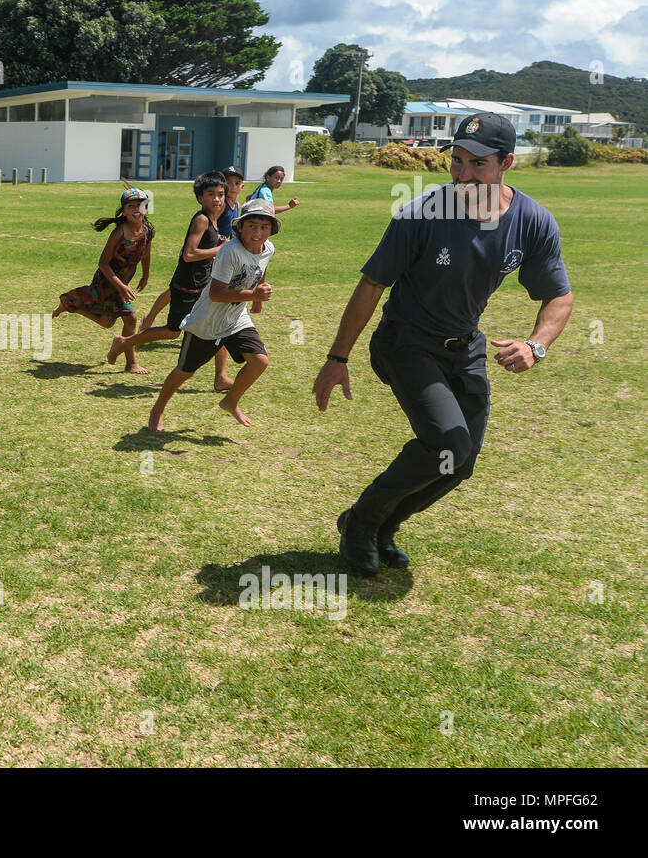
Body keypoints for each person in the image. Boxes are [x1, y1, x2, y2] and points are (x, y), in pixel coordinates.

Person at [312, 112, 573, 576]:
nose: (463, 174)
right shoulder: (420, 214)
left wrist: (537, 345)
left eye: (477, 165)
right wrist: (337, 359)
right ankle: (360, 524)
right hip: (405, 342)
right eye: (456, 161)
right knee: (447, 442)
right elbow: (371, 286)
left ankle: (382, 527)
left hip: (465, 347)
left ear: (506, 163)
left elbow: (559, 295)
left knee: (460, 462)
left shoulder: (532, 220)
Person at [147, 198, 276, 432]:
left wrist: (258, 297)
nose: (258, 232)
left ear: (271, 230)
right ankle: (157, 409)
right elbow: (216, 294)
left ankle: (230, 401)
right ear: (240, 227)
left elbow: (261, 265)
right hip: (207, 321)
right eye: (252, 226)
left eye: (264, 227)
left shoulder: (268, 248)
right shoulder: (229, 252)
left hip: (236, 318)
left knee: (259, 361)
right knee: (185, 372)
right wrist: (253, 294)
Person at [108, 172, 227, 372]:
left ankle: (221, 376)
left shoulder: (213, 219)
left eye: (220, 194)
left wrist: (218, 245)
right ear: (200, 197)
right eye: (211, 194)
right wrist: (222, 249)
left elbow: (204, 250)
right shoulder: (202, 220)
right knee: (173, 331)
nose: (216, 198)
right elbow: (189, 254)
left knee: (219, 325)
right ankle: (124, 343)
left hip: (202, 283)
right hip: (189, 287)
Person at [52, 188, 154, 374]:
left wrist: (145, 275)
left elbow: (146, 254)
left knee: (107, 322)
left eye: (140, 205)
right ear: (123, 211)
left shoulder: (147, 231)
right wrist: (121, 286)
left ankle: (70, 303)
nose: (136, 209)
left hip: (122, 282)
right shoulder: (118, 233)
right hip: (108, 281)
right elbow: (103, 263)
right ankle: (131, 363)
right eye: (131, 206)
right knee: (130, 318)